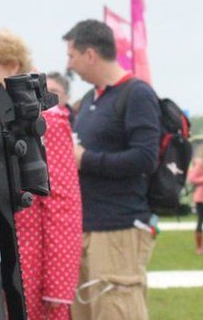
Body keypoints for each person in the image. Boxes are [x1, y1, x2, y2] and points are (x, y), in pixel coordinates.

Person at [0, 30, 82, 320]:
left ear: (12, 65)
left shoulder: (47, 121)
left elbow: (62, 204)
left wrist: (58, 285)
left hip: (32, 265)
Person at [63, 20, 159, 320]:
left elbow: (145, 157)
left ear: (90, 54)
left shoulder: (137, 94)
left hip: (119, 225)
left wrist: (86, 159)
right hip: (85, 226)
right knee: (85, 312)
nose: (69, 65)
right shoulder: (91, 100)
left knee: (117, 310)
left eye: (72, 56)